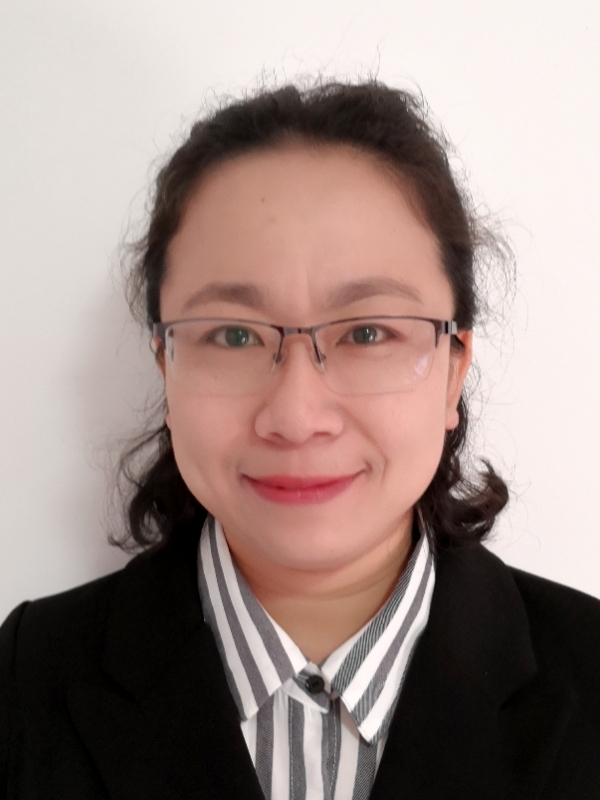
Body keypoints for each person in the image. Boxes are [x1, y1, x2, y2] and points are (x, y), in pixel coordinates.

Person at [1, 80, 599, 800]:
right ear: (166, 366)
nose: (296, 414)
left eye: (367, 332)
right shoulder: (22, 683)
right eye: (234, 335)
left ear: (452, 370)